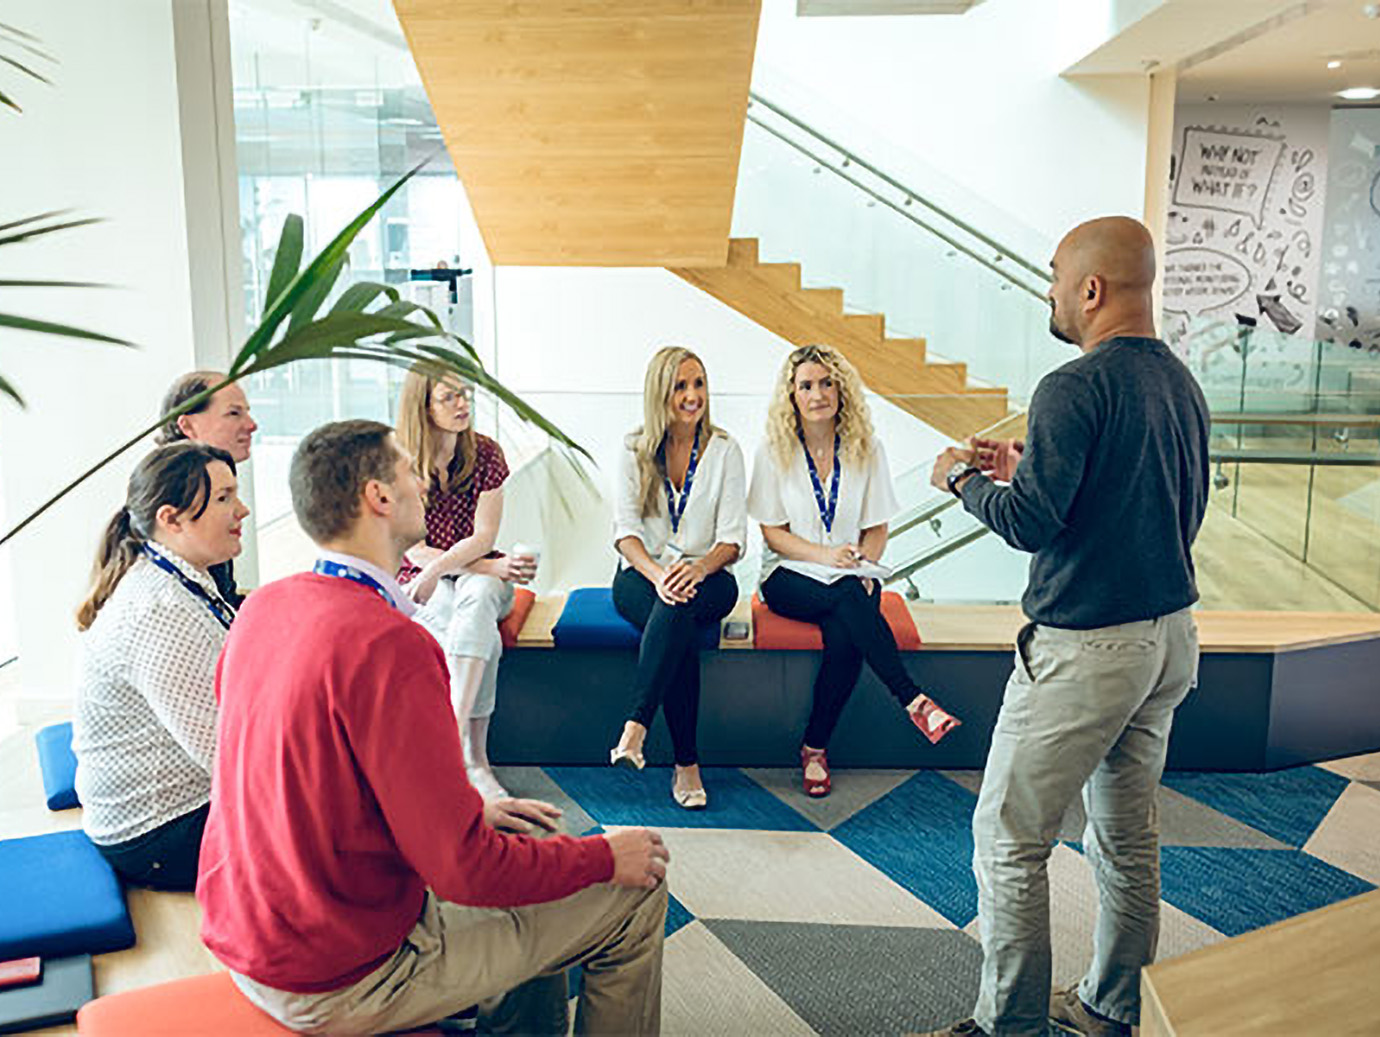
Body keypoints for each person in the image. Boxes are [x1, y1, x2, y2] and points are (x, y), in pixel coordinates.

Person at [197, 419, 670, 1036]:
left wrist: (460, 817)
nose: (422, 481)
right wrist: (602, 858)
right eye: (406, 469)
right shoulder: (392, 644)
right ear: (379, 497)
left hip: (251, 931)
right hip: (338, 975)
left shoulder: (265, 606)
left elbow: (329, 782)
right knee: (635, 893)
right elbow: (465, 873)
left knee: (528, 853)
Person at [920, 217, 1208, 1037]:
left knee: (1008, 835)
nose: (1048, 291)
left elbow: (1031, 524)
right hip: (1168, 640)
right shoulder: (1179, 384)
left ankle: (1006, 1025)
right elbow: (1157, 499)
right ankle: (1115, 1006)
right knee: (1125, 834)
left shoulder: (1072, 386)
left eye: (1054, 276)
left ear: (1091, 289)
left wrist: (959, 481)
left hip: (1087, 650)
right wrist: (1030, 463)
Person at [746, 345, 960, 799]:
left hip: (849, 574)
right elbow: (772, 533)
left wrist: (865, 565)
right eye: (806, 385)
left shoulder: (867, 448)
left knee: (845, 632)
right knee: (847, 598)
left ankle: (814, 749)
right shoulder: (774, 450)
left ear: (841, 390)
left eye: (826, 383)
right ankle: (911, 698)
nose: (818, 394)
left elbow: (877, 525)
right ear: (792, 395)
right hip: (789, 575)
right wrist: (828, 559)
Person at [73, 442, 248, 890]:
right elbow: (225, 756)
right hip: (156, 834)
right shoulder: (159, 610)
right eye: (225, 498)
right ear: (170, 519)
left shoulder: (177, 573)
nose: (242, 510)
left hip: (169, 808)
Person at [609, 346, 746, 810]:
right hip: (641, 575)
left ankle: (635, 728)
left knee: (681, 606)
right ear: (660, 393)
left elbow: (732, 539)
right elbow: (625, 534)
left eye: (699, 384)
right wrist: (658, 575)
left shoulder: (726, 450)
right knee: (676, 618)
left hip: (710, 575)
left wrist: (697, 568)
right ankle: (687, 764)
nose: (693, 395)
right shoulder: (633, 449)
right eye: (681, 386)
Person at [395, 365, 535, 802]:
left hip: (461, 577)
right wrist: (485, 568)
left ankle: (451, 741)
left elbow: (484, 538)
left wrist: (447, 571)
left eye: (465, 395)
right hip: (427, 578)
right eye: (449, 397)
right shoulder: (399, 461)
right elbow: (414, 551)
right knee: (482, 638)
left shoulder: (486, 454)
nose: (462, 405)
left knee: (478, 598)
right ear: (424, 406)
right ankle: (476, 760)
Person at [156, 370, 258, 608]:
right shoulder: (176, 498)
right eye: (234, 413)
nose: (252, 425)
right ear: (187, 425)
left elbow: (224, 599)